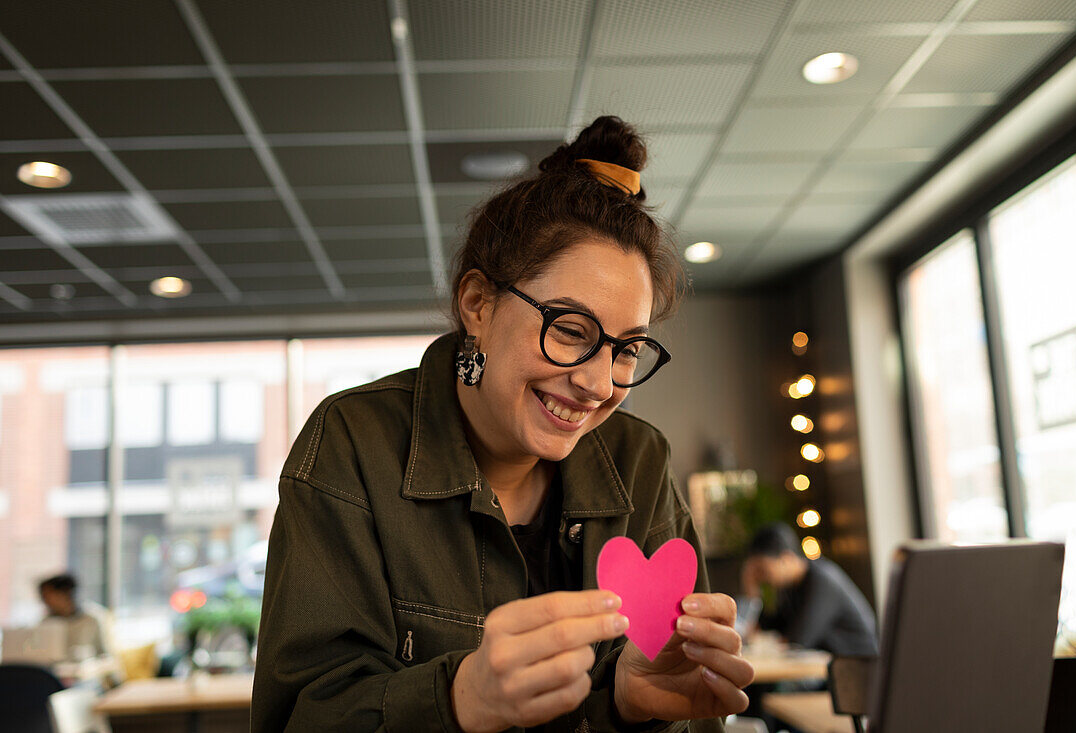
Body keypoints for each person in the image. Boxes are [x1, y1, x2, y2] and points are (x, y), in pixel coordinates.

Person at [252, 116, 754, 732]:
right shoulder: (354, 445)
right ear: (478, 305)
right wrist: (460, 698)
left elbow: (694, 718)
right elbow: (298, 717)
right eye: (570, 331)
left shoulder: (639, 461)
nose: (599, 385)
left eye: (626, 349)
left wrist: (631, 709)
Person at [740, 523, 877, 657]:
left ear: (786, 559)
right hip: (829, 666)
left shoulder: (822, 581)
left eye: (763, 569)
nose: (762, 577)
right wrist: (752, 591)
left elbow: (798, 642)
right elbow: (773, 626)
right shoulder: (790, 587)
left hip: (859, 667)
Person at [37, 573, 110, 662]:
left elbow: (106, 656)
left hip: (86, 672)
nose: (44, 601)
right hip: (54, 673)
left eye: (47, 596)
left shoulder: (92, 618)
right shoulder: (46, 622)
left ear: (64, 593)